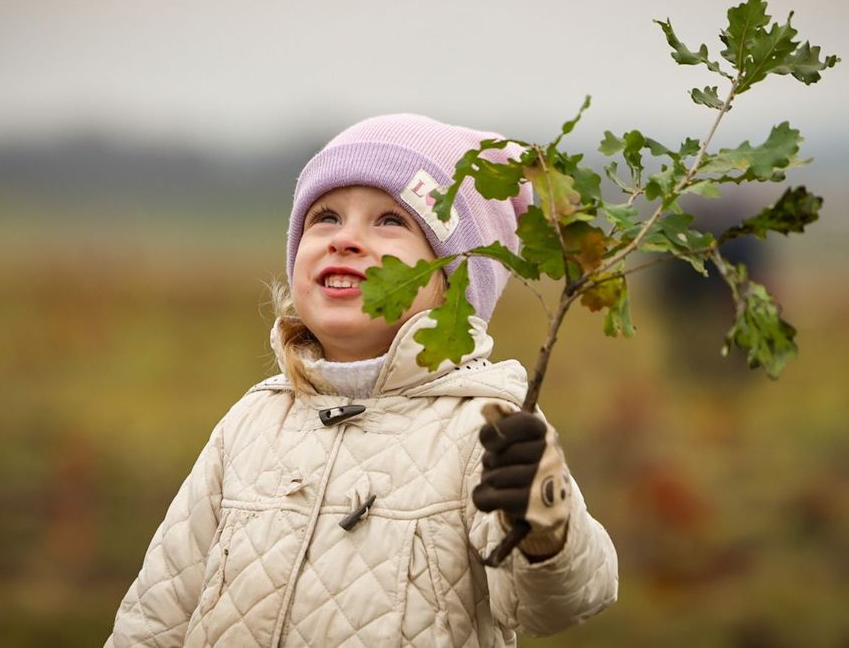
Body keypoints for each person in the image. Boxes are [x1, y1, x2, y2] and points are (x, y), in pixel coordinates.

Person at [105, 114, 619, 647]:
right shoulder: (252, 424)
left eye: (391, 222)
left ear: (455, 280)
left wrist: (546, 523)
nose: (346, 239)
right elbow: (156, 612)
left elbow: (564, 602)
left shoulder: (487, 424)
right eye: (325, 217)